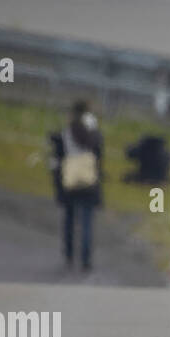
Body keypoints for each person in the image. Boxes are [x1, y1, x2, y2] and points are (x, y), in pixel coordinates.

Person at [50, 101, 103, 273]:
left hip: (70, 181)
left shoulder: (65, 134)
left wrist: (57, 187)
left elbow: (56, 161)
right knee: (87, 222)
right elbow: (99, 159)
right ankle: (86, 259)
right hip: (89, 182)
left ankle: (69, 255)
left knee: (69, 220)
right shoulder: (94, 136)